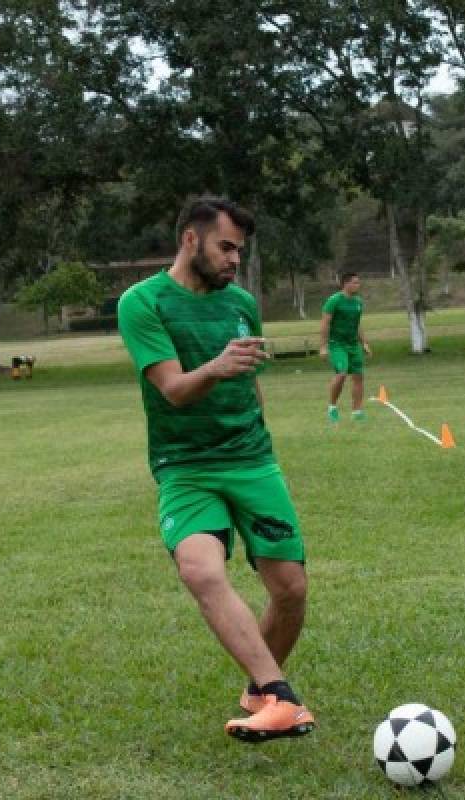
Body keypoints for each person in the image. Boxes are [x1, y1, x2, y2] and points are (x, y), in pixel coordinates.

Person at [117, 196, 315, 742]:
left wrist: (261, 441)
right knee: (200, 570)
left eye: (239, 250)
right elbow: (174, 389)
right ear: (190, 239)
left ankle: (260, 694)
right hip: (186, 466)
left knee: (291, 590)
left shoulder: (242, 303)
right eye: (226, 247)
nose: (234, 259)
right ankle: (280, 697)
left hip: (253, 460)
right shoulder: (142, 302)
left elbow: (249, 383)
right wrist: (218, 365)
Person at [320, 271, 372, 422]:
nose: (358, 285)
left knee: (358, 376)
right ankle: (332, 407)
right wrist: (323, 346)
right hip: (337, 345)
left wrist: (364, 343)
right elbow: (325, 324)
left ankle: (357, 412)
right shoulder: (334, 300)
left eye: (358, 282)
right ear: (346, 284)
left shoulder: (358, 302)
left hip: (353, 345)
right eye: (355, 282)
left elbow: (357, 324)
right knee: (341, 374)